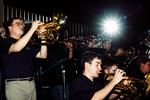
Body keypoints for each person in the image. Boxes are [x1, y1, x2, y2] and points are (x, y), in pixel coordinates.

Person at [0, 17, 47, 100]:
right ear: (10, 28)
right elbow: (17, 48)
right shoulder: (4, 42)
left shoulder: (27, 44)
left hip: (31, 83)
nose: (21, 26)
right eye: (18, 24)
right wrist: (32, 29)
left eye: (22, 24)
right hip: (15, 85)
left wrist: (43, 37)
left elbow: (43, 55)